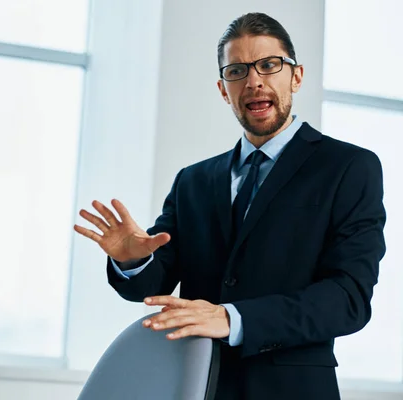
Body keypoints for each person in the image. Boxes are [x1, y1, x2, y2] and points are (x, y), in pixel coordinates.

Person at [74, 12, 386, 400]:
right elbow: (153, 286)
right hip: (197, 385)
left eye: (269, 65)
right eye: (237, 71)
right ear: (224, 89)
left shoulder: (348, 167)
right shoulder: (194, 181)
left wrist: (230, 318)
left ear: (297, 76)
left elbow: (348, 299)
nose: (254, 81)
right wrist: (133, 261)